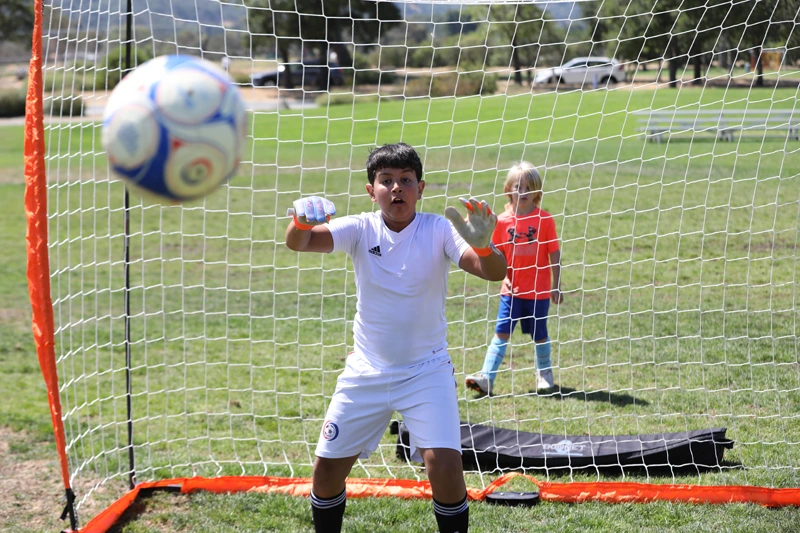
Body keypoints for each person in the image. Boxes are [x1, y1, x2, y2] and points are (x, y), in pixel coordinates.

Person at [285, 143, 507, 533]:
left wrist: (485, 245)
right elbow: (299, 242)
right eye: (386, 181)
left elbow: (491, 271)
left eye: (406, 180)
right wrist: (300, 222)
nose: (397, 188)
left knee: (446, 468)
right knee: (325, 472)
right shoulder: (359, 228)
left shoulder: (439, 229)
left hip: (426, 371)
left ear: (421, 188)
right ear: (372, 191)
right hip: (366, 370)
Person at [465, 162, 563, 396]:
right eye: (519, 187)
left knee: (540, 334)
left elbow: (555, 254)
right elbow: (496, 255)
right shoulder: (500, 221)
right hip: (511, 290)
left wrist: (556, 286)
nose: (524, 193)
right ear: (509, 189)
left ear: (537, 191)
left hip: (538, 292)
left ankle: (544, 374)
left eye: (529, 188)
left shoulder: (545, 220)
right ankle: (486, 378)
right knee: (501, 332)